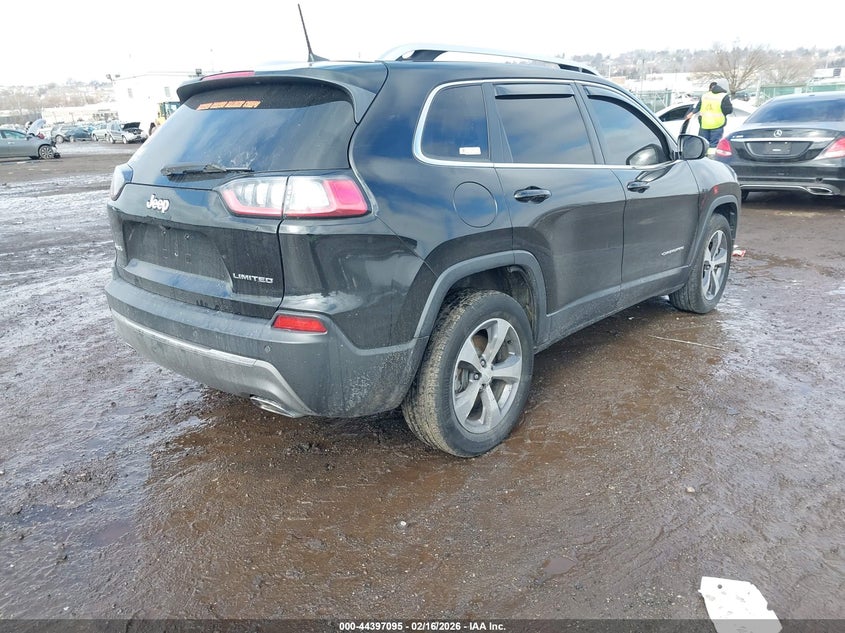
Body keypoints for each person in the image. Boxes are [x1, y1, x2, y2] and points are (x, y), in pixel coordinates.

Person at [685, 80, 733, 149]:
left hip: (704, 124)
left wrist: (691, 113)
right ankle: (710, 158)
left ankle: (702, 158)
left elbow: (698, 106)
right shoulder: (724, 96)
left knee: (702, 144)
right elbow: (729, 110)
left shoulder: (705, 95)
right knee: (713, 146)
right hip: (717, 124)